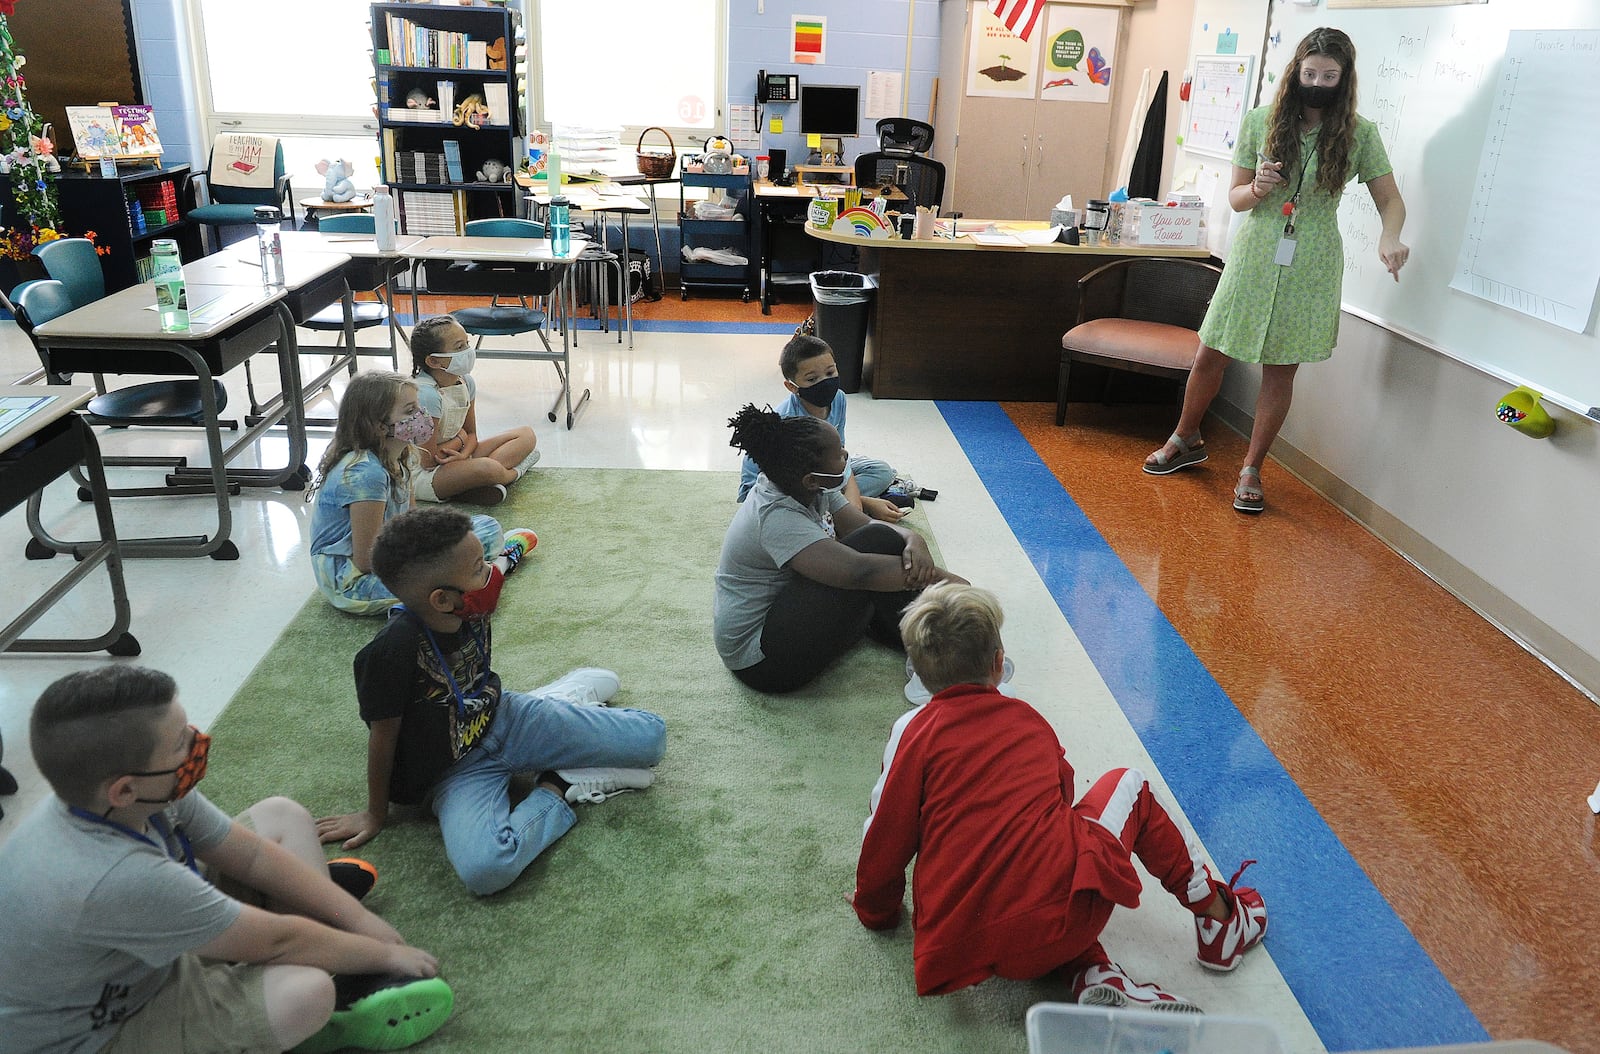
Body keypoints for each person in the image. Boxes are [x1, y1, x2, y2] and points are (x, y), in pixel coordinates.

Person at [853, 582, 1268, 1009]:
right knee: (1129, 787)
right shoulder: (1028, 721)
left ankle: (1095, 972)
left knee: (1023, 870)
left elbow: (884, 836)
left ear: (919, 673)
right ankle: (1221, 919)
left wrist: (876, 911)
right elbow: (1062, 806)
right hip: (1060, 925)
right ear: (999, 664)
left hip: (960, 944)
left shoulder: (911, 732)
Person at [0, 665, 453, 1054]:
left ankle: (312, 911)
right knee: (306, 992)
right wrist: (384, 954)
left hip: (147, 943)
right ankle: (327, 1025)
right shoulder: (115, 877)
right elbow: (278, 942)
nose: (196, 741)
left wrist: (352, 918)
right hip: (104, 1031)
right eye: (180, 742)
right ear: (124, 789)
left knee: (281, 816)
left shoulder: (129, 797)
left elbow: (252, 854)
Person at [315, 506, 667, 897]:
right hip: (452, 772)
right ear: (444, 600)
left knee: (653, 738)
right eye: (479, 569)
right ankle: (558, 784)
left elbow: (502, 565)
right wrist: (374, 813)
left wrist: (507, 553)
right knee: (487, 870)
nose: (490, 574)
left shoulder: (470, 599)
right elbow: (382, 739)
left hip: (503, 718)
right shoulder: (389, 654)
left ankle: (558, 700)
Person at [1143, 27, 1408, 514]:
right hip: (1256, 254)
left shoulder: (1361, 134)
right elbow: (1237, 199)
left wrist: (1389, 236)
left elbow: (1390, 200)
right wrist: (1260, 188)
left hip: (1312, 263)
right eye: (1310, 73)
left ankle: (1252, 467)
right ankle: (1185, 437)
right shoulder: (1261, 122)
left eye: (1329, 76)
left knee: (1280, 372)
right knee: (1211, 353)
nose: (1318, 82)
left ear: (1344, 78)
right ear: (1296, 71)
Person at [715, 403, 965, 694]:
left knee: (880, 541)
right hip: (761, 662)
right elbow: (859, 571)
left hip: (784, 614)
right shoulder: (775, 515)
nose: (846, 456)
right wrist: (944, 582)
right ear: (811, 478)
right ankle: (931, 649)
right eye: (840, 455)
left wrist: (914, 540)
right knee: (866, 566)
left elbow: (865, 526)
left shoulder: (810, 487)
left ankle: (922, 641)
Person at [307, 370, 536, 616]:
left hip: (395, 554)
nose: (421, 415)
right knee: (435, 585)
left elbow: (411, 523)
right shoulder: (365, 473)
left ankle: (476, 572)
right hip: (353, 581)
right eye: (409, 411)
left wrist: (437, 547)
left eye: (418, 407)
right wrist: (431, 560)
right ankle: (498, 566)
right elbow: (366, 560)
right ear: (379, 426)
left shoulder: (401, 454)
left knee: (486, 529)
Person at [737, 333, 906, 523]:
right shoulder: (788, 421)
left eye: (830, 373)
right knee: (799, 504)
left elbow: (838, 453)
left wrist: (851, 490)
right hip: (772, 485)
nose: (825, 382)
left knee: (882, 472)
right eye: (811, 379)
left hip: (816, 470)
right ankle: (838, 504)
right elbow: (796, 480)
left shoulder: (839, 398)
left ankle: (834, 503)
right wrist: (861, 502)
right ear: (792, 387)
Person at [410, 315, 541, 508]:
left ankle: (472, 484)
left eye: (466, 344)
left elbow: (472, 434)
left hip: (456, 456)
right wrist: (461, 440)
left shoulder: (465, 381)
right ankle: (512, 474)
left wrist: (464, 454)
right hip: (424, 473)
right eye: (459, 347)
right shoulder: (426, 394)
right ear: (434, 361)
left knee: (526, 435)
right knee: (488, 468)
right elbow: (428, 460)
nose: (468, 351)